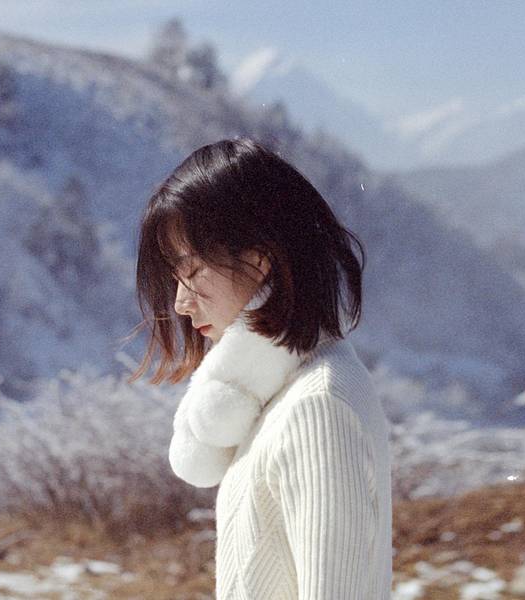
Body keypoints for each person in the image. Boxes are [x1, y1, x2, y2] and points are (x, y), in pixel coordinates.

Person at [129, 137, 393, 599]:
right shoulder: (283, 392)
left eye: (192, 272)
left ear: (259, 258)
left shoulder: (317, 406)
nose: (180, 303)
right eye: (174, 279)